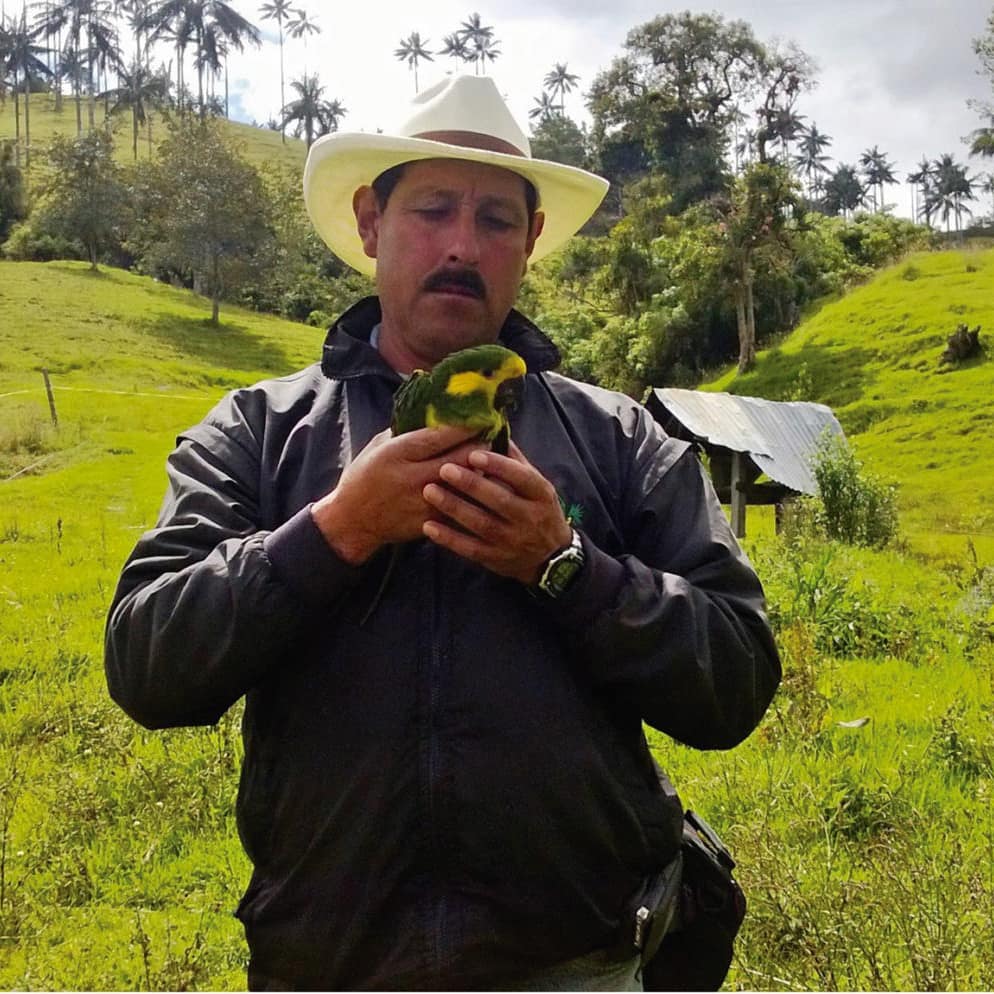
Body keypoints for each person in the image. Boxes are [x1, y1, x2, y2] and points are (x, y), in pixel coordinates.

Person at [105, 75, 781, 991]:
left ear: (531, 242)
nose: (463, 245)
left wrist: (567, 568)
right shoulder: (261, 433)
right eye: (432, 209)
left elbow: (736, 677)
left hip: (574, 965)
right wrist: (334, 531)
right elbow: (147, 664)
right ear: (372, 223)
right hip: (327, 967)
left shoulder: (618, 440)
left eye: (498, 220)